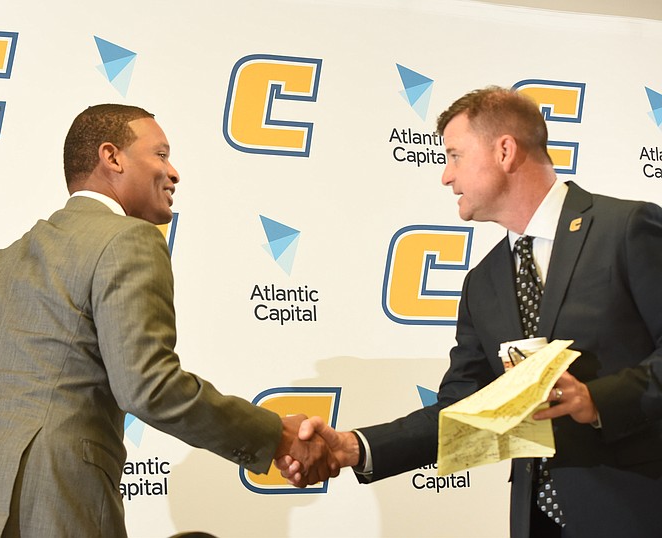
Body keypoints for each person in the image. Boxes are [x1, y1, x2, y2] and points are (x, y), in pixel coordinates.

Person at [0, 104, 333, 538]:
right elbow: (147, 387)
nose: (173, 172)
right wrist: (274, 436)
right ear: (111, 157)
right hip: (56, 507)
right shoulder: (129, 239)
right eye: (160, 154)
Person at [280, 87, 662, 537]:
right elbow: (462, 408)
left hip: (638, 509)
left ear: (504, 150)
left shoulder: (626, 228)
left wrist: (597, 399)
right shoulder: (483, 282)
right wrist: (354, 447)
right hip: (537, 523)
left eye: (455, 155)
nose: (445, 175)